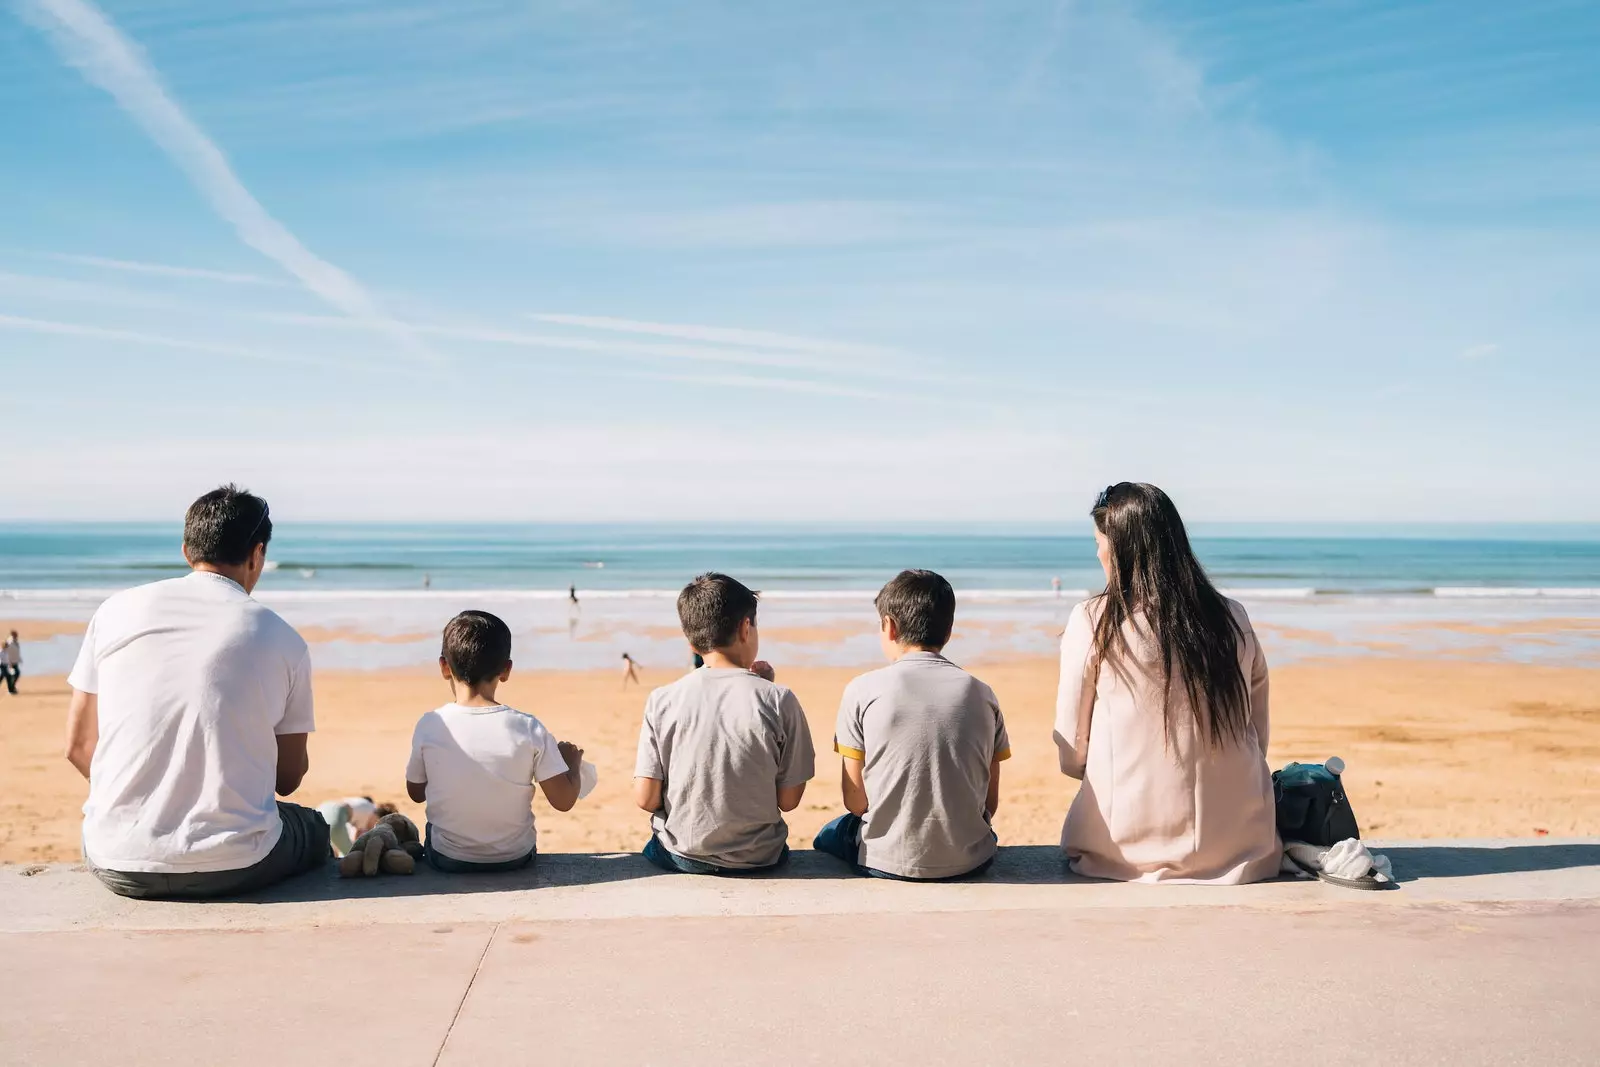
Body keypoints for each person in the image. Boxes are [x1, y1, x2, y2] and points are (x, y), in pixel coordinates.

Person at [65, 485, 329, 899]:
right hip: (238, 863)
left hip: (115, 858)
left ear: (187, 551)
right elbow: (288, 780)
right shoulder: (283, 637)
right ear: (257, 554)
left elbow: (79, 747)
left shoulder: (114, 611)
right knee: (313, 827)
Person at [1053, 482, 1278, 884]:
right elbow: (1257, 736)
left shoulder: (1093, 621)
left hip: (1122, 850)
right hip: (1242, 844)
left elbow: (1071, 750)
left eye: (1099, 541)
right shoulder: (1232, 617)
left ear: (1120, 547)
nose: (1097, 553)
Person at [813, 570, 1009, 880]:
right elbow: (990, 803)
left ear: (889, 626)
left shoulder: (862, 689)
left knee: (828, 833)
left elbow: (855, 801)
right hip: (972, 860)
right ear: (949, 630)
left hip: (885, 861)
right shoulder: (982, 692)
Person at [634, 572, 815, 874]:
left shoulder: (662, 699)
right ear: (746, 628)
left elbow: (645, 798)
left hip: (684, 854)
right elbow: (789, 800)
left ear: (691, 643)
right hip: (760, 857)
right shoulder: (779, 699)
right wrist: (764, 688)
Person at [406, 611, 585, 873]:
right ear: (506, 670)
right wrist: (573, 765)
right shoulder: (529, 727)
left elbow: (416, 794)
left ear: (444, 667)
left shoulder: (431, 723)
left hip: (448, 858)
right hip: (514, 857)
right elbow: (564, 801)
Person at [315, 796, 394, 857]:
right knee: (349, 855)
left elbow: (355, 835)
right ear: (379, 818)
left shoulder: (365, 805)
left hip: (322, 809)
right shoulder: (370, 811)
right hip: (336, 817)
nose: (373, 828)